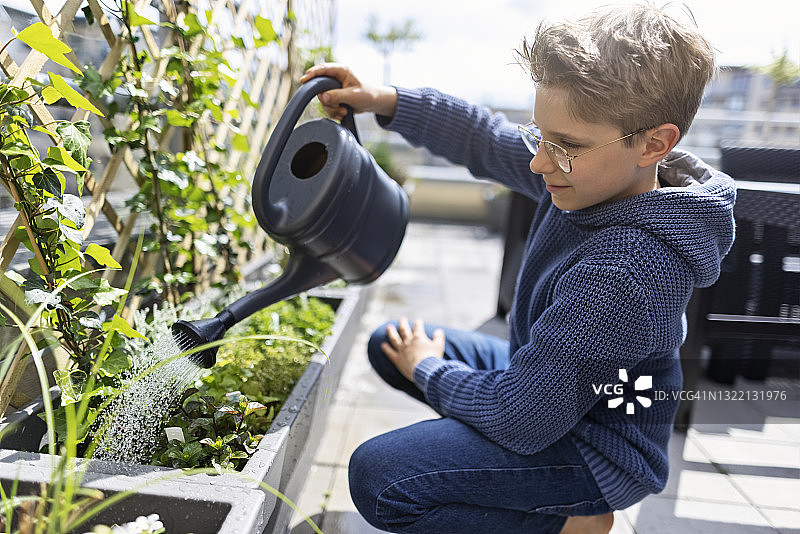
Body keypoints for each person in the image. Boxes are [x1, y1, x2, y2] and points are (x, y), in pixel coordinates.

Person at [300, 3, 735, 533]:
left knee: (381, 476)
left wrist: (431, 371)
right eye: (540, 135)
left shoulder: (631, 266)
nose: (538, 161)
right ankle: (505, 477)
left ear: (655, 144)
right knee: (392, 343)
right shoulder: (590, 177)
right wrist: (383, 101)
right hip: (550, 391)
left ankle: (574, 522)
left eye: (566, 145)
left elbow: (522, 419)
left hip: (598, 447)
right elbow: (482, 138)